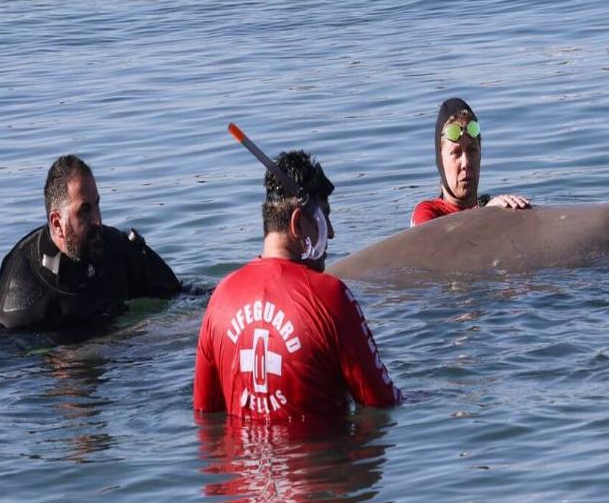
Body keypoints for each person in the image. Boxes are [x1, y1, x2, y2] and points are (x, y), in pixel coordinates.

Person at [193, 149, 401, 420]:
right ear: (298, 224)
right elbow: (382, 402)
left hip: (239, 449)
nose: (331, 233)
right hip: (322, 447)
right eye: (324, 218)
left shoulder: (220, 298)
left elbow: (205, 417)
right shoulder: (331, 297)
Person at [0, 155, 181, 332]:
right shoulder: (21, 294)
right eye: (84, 210)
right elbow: (5, 355)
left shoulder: (113, 247)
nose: (97, 220)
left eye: (97, 205)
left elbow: (182, 296)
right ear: (57, 223)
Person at [410, 97, 531, 226]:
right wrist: (486, 215)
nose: (466, 163)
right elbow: (436, 239)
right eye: (456, 152)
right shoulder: (427, 213)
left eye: (472, 150)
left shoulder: (496, 208)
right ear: (440, 161)